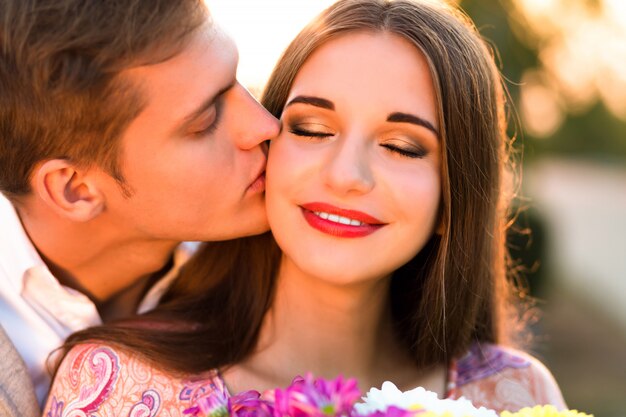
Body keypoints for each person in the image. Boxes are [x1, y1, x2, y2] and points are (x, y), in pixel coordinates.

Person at [43, 0, 567, 415]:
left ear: (455, 198)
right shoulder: (119, 386)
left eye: (401, 146)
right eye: (312, 130)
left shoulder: (515, 394)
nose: (345, 176)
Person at [0, 0, 279, 413]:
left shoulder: (280, 258)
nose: (266, 125)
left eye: (239, 82)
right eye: (204, 121)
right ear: (76, 189)